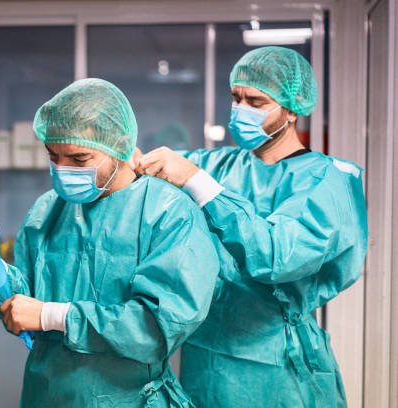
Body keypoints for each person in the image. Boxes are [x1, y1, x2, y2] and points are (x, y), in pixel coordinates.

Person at [0, 78, 220, 407]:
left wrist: (55, 316)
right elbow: (24, 309)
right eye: (54, 157)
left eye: (79, 159)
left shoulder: (168, 213)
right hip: (48, 395)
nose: (62, 170)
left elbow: (156, 328)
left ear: (120, 147)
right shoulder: (47, 210)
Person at [135, 46, 368, 407]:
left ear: (291, 109)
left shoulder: (323, 180)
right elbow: (156, 185)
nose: (241, 109)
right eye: (236, 98)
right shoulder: (221, 163)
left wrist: (197, 182)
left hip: (272, 364)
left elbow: (276, 257)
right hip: (204, 352)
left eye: (256, 101)